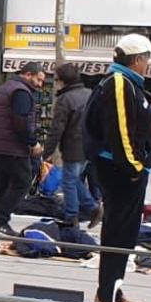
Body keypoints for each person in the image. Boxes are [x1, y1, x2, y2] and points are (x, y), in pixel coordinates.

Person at [84, 34, 151, 302]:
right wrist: (134, 169)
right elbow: (120, 132)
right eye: (147, 58)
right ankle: (106, 295)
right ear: (137, 59)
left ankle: (112, 291)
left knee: (124, 235)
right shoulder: (119, 83)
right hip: (120, 171)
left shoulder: (129, 85)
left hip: (124, 170)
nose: (149, 64)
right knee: (117, 234)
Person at [0, 62, 45, 236]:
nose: (40, 85)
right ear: (28, 74)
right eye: (38, 80)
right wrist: (32, 143)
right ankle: (0, 221)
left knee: (1, 183)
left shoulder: (6, 87)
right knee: (23, 181)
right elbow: (21, 121)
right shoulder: (21, 92)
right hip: (11, 146)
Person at [42, 62, 100, 228]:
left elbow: (56, 129)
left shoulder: (65, 99)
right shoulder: (90, 94)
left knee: (68, 181)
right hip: (89, 146)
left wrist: (47, 151)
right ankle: (90, 208)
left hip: (73, 146)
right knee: (73, 179)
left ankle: (73, 215)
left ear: (62, 81)